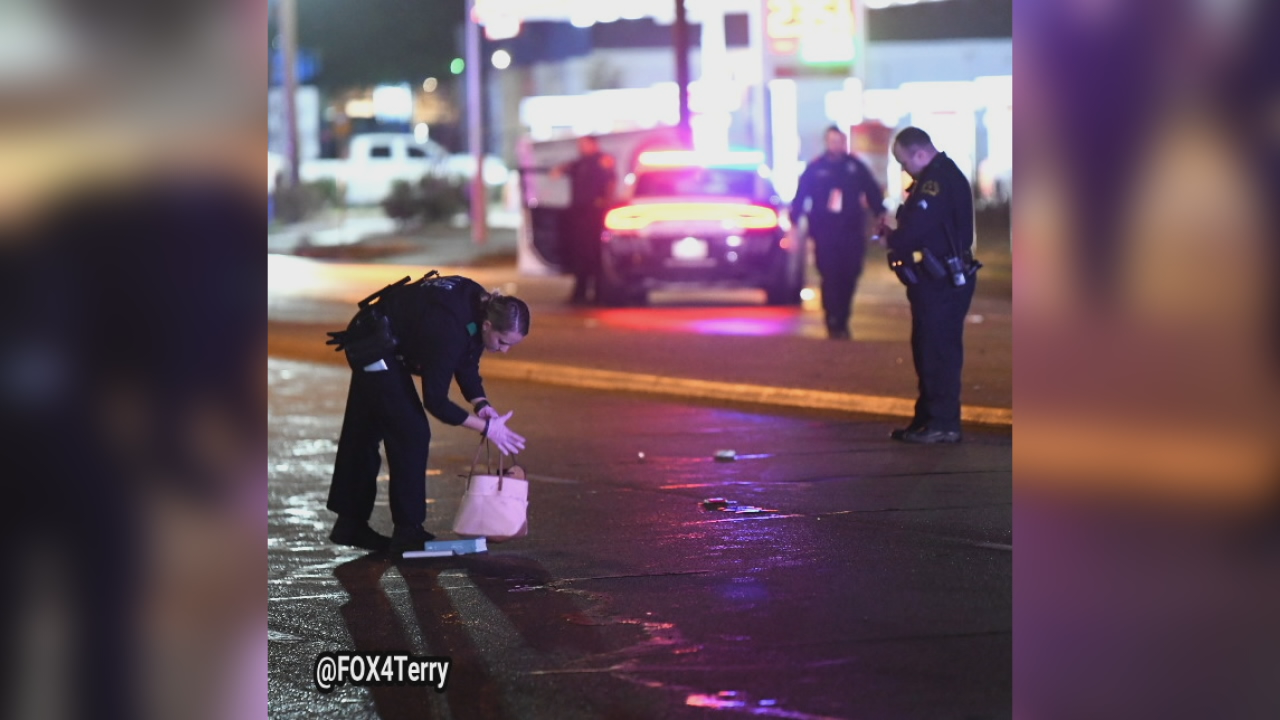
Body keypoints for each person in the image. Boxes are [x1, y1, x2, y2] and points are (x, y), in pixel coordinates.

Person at [324, 273, 530, 555]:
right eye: (503, 342)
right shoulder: (449, 326)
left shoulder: (481, 306)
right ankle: (408, 531)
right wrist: (484, 428)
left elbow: (467, 361)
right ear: (487, 325)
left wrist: (483, 405)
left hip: (385, 339)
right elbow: (436, 401)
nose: (504, 350)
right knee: (412, 432)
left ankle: (349, 524)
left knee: (365, 429)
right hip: (373, 345)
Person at [877, 126, 980, 444]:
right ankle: (927, 419)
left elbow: (916, 229)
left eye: (904, 162)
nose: (904, 169)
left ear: (920, 153)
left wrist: (893, 237)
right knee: (926, 349)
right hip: (934, 280)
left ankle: (943, 424)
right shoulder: (934, 177)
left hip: (942, 281)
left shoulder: (937, 181)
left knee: (938, 352)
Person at [790, 125, 886, 339]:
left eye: (840, 141)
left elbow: (872, 191)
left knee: (850, 274)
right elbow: (801, 197)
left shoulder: (855, 167)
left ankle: (843, 317)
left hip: (851, 231)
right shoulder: (816, 168)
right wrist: (795, 223)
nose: (837, 145)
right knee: (830, 275)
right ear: (827, 143)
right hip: (825, 232)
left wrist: (880, 214)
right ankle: (832, 319)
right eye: (833, 141)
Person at [553, 135, 616, 304]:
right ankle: (580, 293)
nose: (581, 147)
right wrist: (559, 170)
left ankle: (599, 294)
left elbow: (611, 182)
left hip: (595, 214)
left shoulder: (603, 161)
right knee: (581, 254)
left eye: (584, 144)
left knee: (595, 254)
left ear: (594, 145)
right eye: (580, 144)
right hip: (579, 214)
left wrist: (605, 200)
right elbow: (562, 169)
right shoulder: (579, 163)